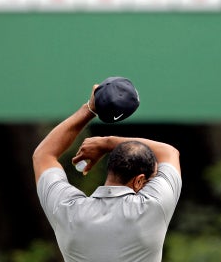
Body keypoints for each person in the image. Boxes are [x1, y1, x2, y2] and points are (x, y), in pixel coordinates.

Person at [32, 83, 182, 262]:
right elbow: (169, 153)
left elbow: (43, 155)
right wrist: (108, 143)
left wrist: (89, 109)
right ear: (139, 181)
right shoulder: (154, 207)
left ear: (111, 168)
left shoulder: (68, 211)